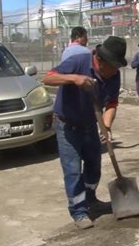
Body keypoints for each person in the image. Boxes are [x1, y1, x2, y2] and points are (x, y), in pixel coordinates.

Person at [42, 36, 127, 229]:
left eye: (117, 67)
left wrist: (106, 126)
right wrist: (73, 78)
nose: (115, 71)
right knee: (72, 171)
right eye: (113, 66)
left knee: (94, 167)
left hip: (90, 125)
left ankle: (91, 199)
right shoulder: (79, 62)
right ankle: (79, 211)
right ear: (100, 60)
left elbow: (112, 103)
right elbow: (47, 77)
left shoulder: (113, 75)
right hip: (67, 126)